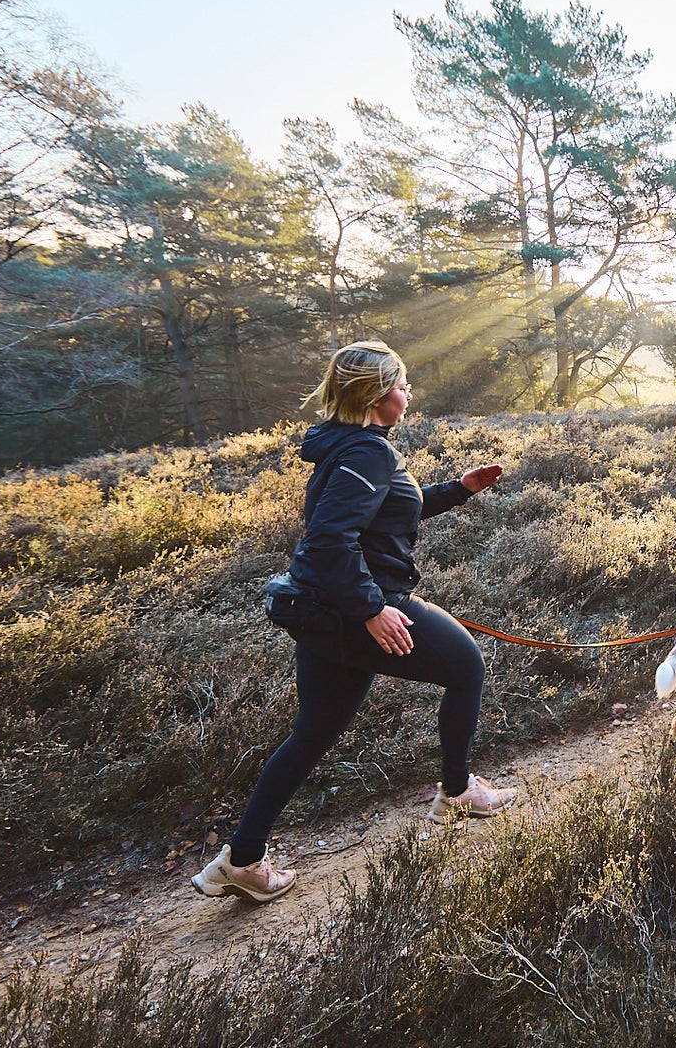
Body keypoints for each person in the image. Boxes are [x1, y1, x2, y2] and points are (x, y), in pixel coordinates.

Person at [193, 340, 518, 902]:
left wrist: (458, 490)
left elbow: (382, 513)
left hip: (321, 611)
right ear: (377, 396)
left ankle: (242, 859)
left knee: (313, 732)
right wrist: (371, 610)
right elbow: (328, 541)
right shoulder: (368, 452)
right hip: (355, 607)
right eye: (402, 385)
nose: (408, 394)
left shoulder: (350, 446)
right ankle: (458, 791)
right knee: (466, 665)